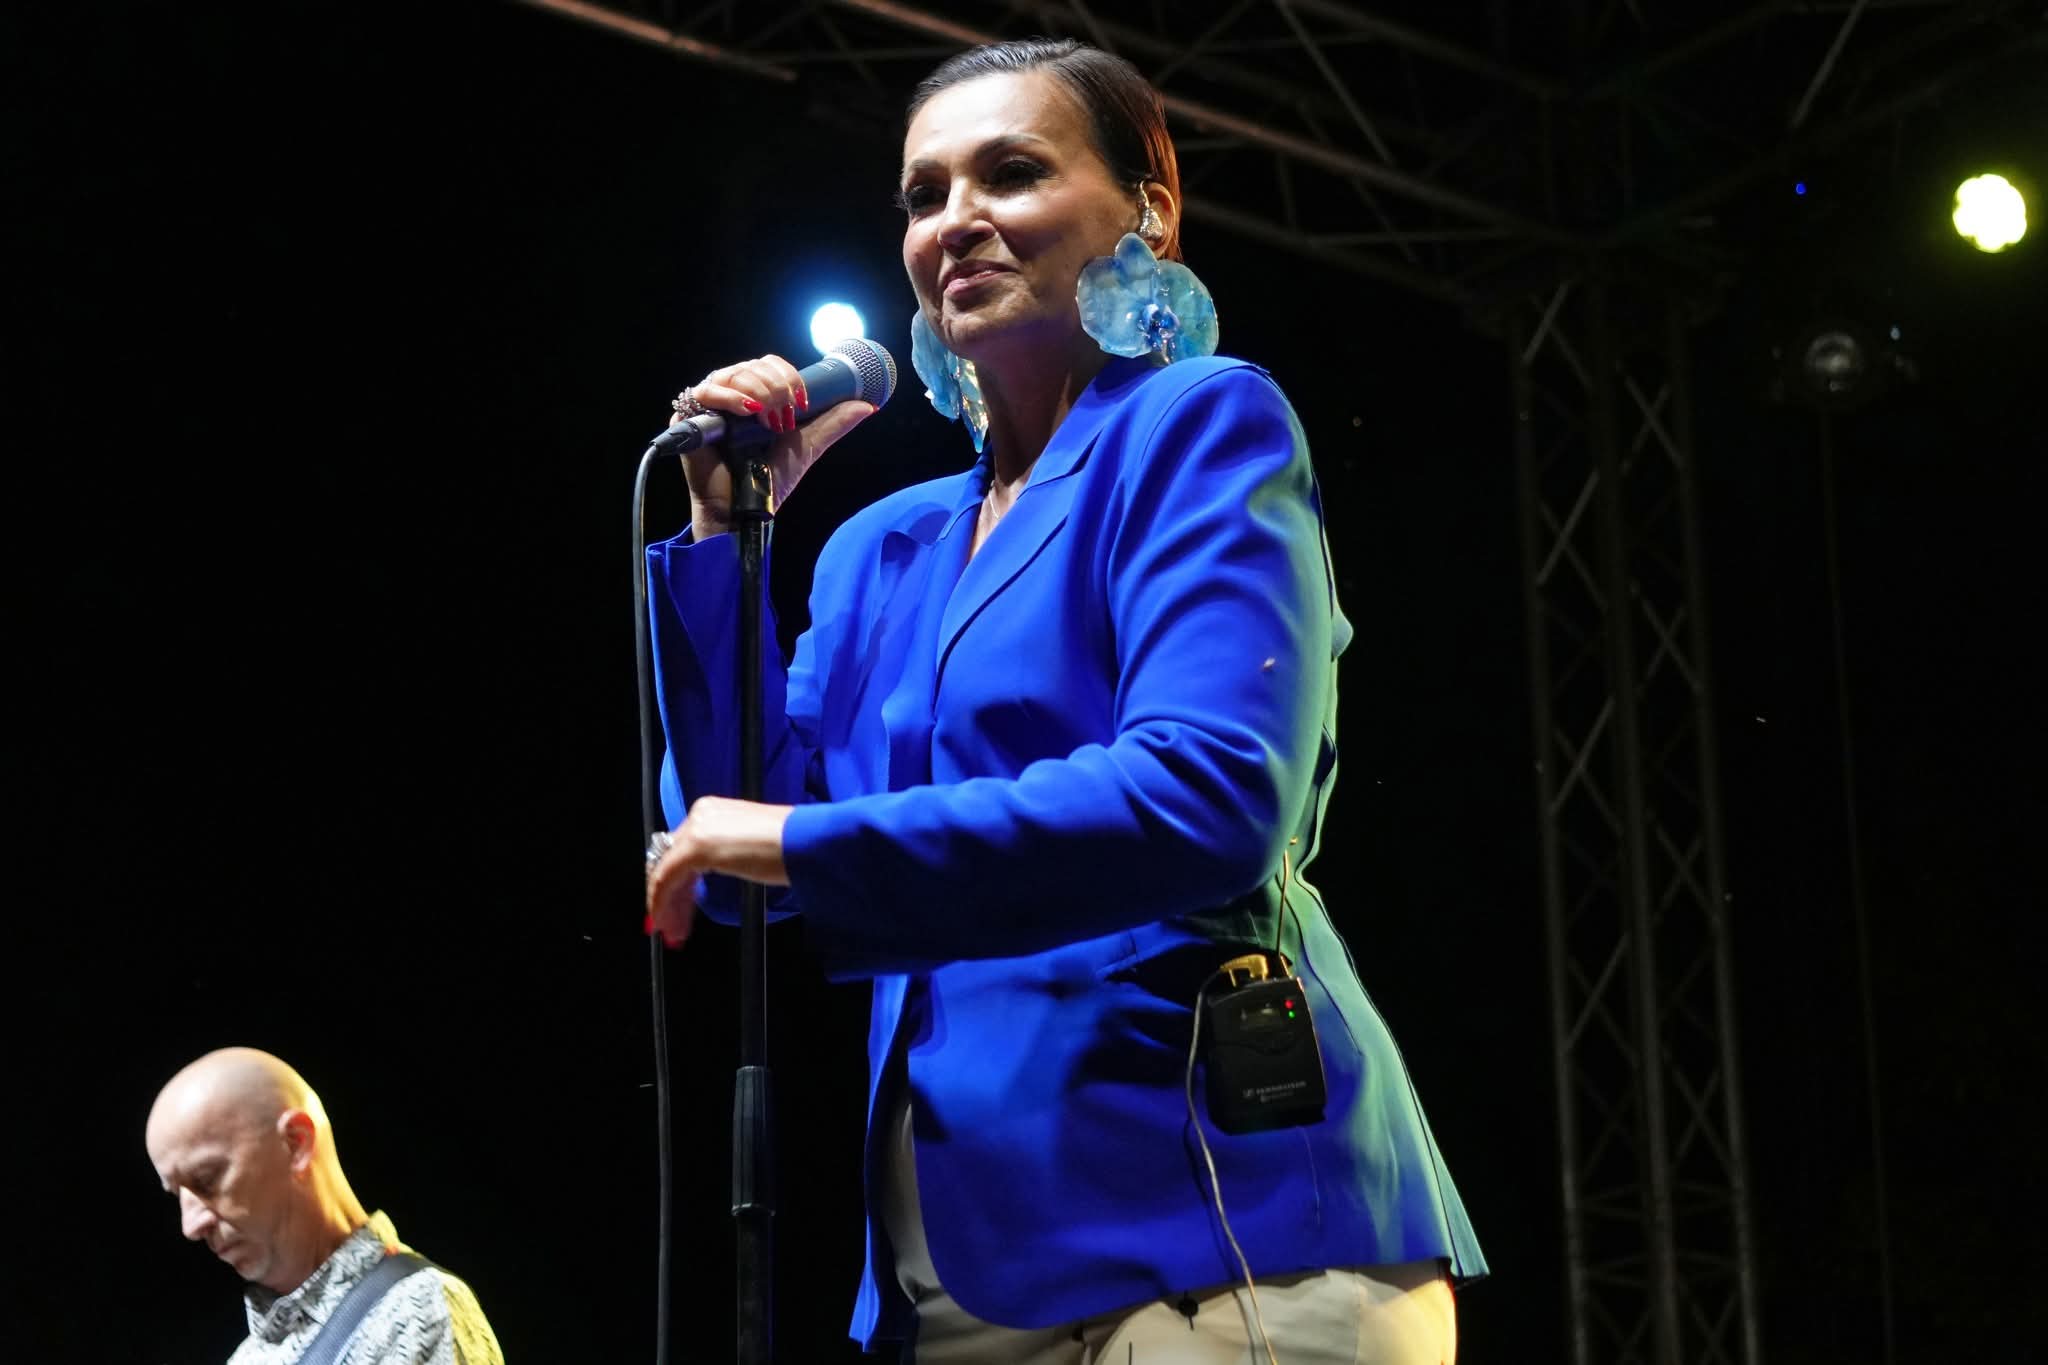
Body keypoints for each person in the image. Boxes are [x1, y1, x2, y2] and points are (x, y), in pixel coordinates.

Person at [643, 37, 1485, 1363]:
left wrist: (795, 842)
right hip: (956, 1271)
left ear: (1147, 208)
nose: (955, 219)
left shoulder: (1197, 426)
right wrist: (722, 542)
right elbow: (740, 860)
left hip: (1222, 1228)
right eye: (924, 194)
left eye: (1013, 173)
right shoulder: (881, 547)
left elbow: (1209, 796)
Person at [144, 1047, 504, 1365]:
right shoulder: (247, 1357)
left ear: (296, 1143)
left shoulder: (415, 1309)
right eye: (178, 1195)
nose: (191, 1226)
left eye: (206, 1179)